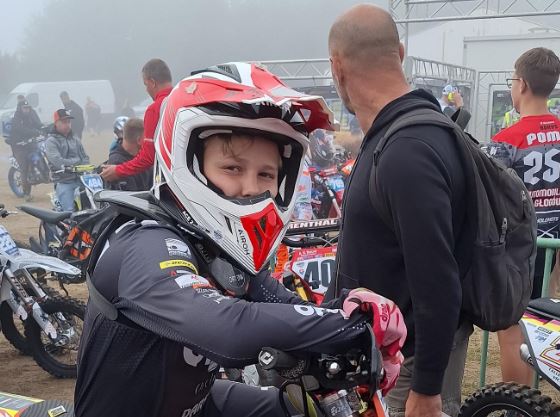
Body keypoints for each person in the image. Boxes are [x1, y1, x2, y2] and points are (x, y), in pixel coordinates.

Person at [74, 62, 407, 417]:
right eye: (233, 168)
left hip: (193, 403)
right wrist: (348, 326)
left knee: (303, 411)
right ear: (187, 162)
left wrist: (351, 309)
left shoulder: (218, 250)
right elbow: (224, 329)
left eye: (266, 174)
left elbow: (283, 307)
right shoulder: (145, 243)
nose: (251, 188)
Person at [325, 5, 473, 417]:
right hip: (389, 360)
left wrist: (426, 389)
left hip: (405, 369)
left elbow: (437, 279)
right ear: (401, 54)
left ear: (337, 67)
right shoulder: (400, 136)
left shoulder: (407, 150)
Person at [488, 47, 560, 386]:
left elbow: (490, 200)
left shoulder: (505, 141)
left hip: (520, 248)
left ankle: (519, 404)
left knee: (512, 329)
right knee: (548, 320)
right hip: (554, 244)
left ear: (523, 84)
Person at [101, 58, 173, 184]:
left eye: (146, 84)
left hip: (173, 180)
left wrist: (118, 170)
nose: (146, 90)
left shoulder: (155, 109)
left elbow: (148, 158)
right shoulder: (184, 101)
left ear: (152, 82)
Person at [45, 109, 90, 211]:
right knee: (69, 212)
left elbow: (85, 158)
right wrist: (77, 162)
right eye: (64, 122)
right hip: (64, 182)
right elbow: (58, 162)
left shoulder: (75, 139)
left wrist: (83, 166)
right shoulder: (51, 141)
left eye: (69, 122)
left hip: (81, 179)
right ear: (56, 123)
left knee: (94, 206)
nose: (67, 125)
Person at [9, 100, 43, 201]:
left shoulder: (31, 115)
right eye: (24, 108)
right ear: (20, 108)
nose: (26, 110)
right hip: (19, 146)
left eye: (28, 108)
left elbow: (38, 124)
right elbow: (20, 129)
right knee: (24, 168)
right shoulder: (16, 118)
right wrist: (34, 132)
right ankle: (26, 194)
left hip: (30, 143)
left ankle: (42, 172)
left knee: (41, 154)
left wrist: (46, 128)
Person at [106, 118, 150, 191]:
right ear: (139, 140)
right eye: (146, 137)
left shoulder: (145, 158)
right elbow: (131, 196)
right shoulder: (117, 163)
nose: (148, 140)